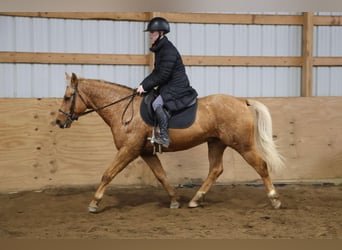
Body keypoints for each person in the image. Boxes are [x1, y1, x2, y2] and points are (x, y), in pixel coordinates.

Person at [136, 17, 198, 148]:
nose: (150, 35)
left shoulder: (168, 50)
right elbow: (157, 72)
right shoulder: (161, 49)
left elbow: (163, 75)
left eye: (152, 33)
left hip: (177, 86)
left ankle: (164, 136)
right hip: (169, 84)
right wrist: (143, 85)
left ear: (161, 33)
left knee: (157, 103)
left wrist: (145, 85)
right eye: (150, 33)